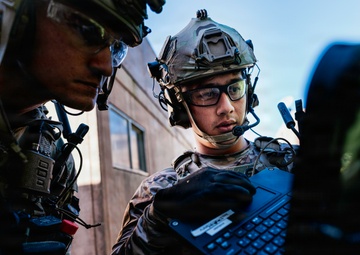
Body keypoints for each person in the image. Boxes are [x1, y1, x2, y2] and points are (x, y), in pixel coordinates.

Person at [111, 9, 296, 255]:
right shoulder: (161, 189)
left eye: (235, 88)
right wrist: (157, 217)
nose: (227, 107)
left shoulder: (289, 159)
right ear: (179, 105)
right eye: (207, 94)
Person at [0, 0, 165, 254]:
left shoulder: (54, 155)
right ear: (16, 16)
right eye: (87, 30)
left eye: (116, 48)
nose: (107, 66)